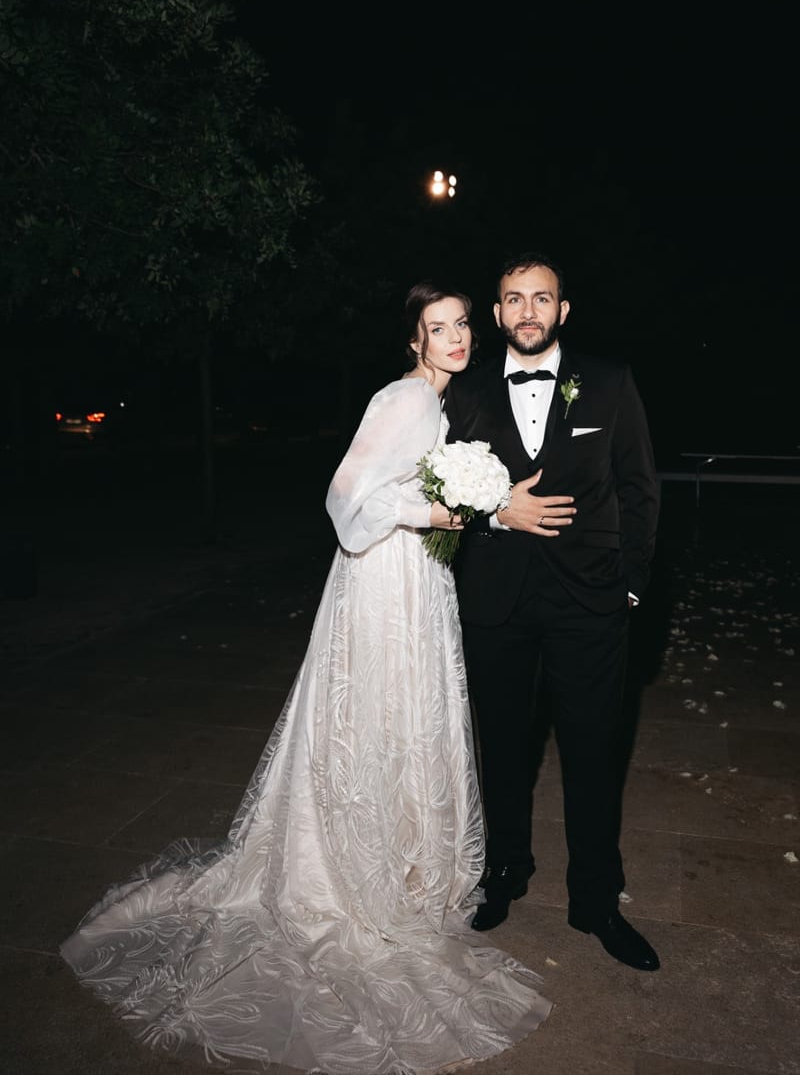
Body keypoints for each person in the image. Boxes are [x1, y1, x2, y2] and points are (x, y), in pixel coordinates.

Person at [60, 283, 551, 1075]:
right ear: (414, 341)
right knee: (379, 714)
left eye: (463, 324)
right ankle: (360, 869)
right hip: (385, 582)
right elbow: (345, 497)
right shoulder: (403, 399)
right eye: (439, 328)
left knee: (406, 718)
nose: (456, 337)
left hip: (417, 581)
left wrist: (463, 504)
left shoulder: (441, 404)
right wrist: (440, 510)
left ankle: (404, 858)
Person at [445, 252, 661, 971]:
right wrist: (495, 514)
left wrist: (628, 586)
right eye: (513, 299)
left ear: (563, 311)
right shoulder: (465, 393)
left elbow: (639, 489)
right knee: (501, 747)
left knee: (594, 751)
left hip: (589, 602)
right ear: (498, 312)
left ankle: (595, 897)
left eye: (542, 299)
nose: (528, 311)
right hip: (495, 601)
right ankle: (505, 873)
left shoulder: (609, 381)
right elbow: (436, 494)